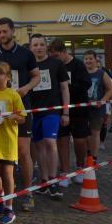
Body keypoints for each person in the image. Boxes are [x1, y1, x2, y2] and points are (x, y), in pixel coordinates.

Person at [0, 18, 39, 212]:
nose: (1, 35)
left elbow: (37, 76)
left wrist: (24, 89)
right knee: (0, 156)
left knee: (23, 152)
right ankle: (4, 195)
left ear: (12, 31)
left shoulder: (26, 53)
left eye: (4, 32)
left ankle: (28, 193)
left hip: (20, 105)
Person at [28, 34, 69, 199]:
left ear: (46, 47)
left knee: (50, 142)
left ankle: (54, 180)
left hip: (52, 110)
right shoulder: (28, 65)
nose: (38, 47)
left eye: (41, 44)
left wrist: (65, 112)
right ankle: (44, 180)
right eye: (35, 45)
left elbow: (64, 88)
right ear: (31, 48)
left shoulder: (56, 63)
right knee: (39, 147)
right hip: (34, 112)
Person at [0, 62, 25, 223]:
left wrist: (14, 116)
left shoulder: (13, 95)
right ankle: (0, 194)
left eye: (0, 74)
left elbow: (23, 118)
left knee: (7, 174)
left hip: (8, 140)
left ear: (8, 77)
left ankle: (9, 208)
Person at [48, 38, 92, 184]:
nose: (54, 59)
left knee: (80, 140)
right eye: (52, 56)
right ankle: (65, 172)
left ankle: (80, 166)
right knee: (62, 140)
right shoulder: (54, 66)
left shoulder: (78, 65)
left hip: (79, 108)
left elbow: (87, 83)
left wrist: (67, 87)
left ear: (64, 52)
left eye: (56, 56)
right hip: (60, 108)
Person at [83, 50, 112, 156]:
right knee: (84, 134)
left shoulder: (102, 73)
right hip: (83, 108)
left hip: (97, 109)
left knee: (95, 133)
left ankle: (94, 158)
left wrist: (102, 101)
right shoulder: (81, 72)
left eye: (90, 58)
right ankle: (88, 154)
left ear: (95, 59)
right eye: (86, 59)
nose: (88, 61)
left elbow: (110, 90)